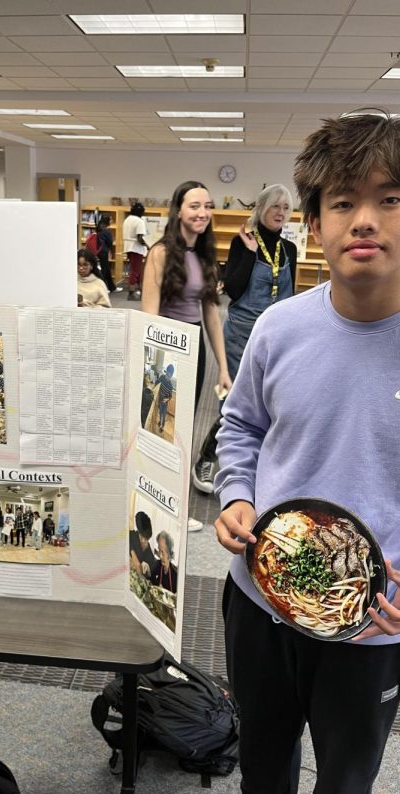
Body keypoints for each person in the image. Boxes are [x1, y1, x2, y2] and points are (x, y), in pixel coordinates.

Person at [198, 112, 400, 794]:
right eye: (343, 200)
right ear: (313, 220)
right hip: (260, 593)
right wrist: (236, 494)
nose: (364, 220)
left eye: (389, 199)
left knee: (350, 764)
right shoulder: (279, 329)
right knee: (264, 744)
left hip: (374, 613)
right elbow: (240, 427)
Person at [193, 184, 297, 494]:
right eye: (274, 207)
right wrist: (250, 256)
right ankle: (207, 459)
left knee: (270, 401)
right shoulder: (243, 244)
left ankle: (251, 463)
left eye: (286, 209)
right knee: (235, 399)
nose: (280, 213)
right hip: (241, 333)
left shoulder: (289, 250)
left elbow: (290, 295)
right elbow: (233, 290)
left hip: (277, 336)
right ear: (261, 208)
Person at [141, 180, 232, 533]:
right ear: (179, 210)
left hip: (195, 353)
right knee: (161, 431)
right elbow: (149, 314)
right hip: (166, 354)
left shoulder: (206, 256)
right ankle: (157, 506)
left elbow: (211, 314)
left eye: (207, 206)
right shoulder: (161, 253)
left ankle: (172, 506)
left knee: (183, 432)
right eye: (195, 206)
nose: (203, 213)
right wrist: (152, 366)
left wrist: (223, 367)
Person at [123, 201, 147, 300]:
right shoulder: (139, 221)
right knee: (135, 271)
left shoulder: (127, 219)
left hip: (128, 247)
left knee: (137, 270)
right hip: (136, 248)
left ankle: (141, 291)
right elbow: (140, 238)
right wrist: (149, 245)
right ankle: (131, 293)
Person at [129, 511, 156, 578]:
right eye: (142, 537)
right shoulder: (130, 536)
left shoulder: (148, 549)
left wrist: (148, 568)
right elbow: (137, 565)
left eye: (146, 538)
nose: (143, 541)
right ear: (138, 531)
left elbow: (152, 572)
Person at [155, 363, 175, 434]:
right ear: (166, 372)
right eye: (167, 374)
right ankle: (160, 421)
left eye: (169, 376)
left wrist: (167, 399)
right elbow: (157, 382)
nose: (167, 377)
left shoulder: (170, 386)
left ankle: (162, 427)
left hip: (165, 404)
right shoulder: (162, 377)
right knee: (160, 413)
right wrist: (155, 389)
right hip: (160, 400)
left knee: (163, 414)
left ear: (171, 376)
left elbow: (170, 396)